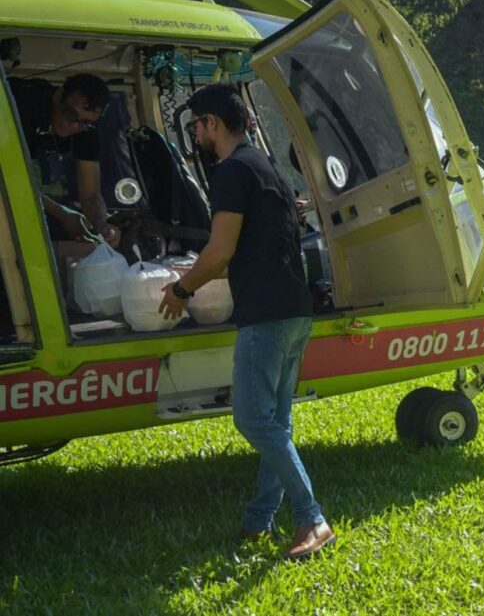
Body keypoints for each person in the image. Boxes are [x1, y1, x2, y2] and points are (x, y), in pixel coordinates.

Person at [157, 84, 333, 560]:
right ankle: (259, 518)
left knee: (253, 420)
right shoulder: (267, 166)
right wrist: (197, 272)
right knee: (276, 422)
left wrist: (181, 289)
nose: (196, 135)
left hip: (266, 314)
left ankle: (312, 518)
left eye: (197, 126)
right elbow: (255, 246)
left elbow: (220, 251)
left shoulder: (231, 171)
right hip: (294, 308)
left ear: (212, 122)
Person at [11, 73, 121, 246]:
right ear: (58, 96)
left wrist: (101, 225)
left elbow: (91, 195)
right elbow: (9, 179)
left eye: (85, 122)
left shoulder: (88, 131)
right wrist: (62, 214)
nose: (74, 126)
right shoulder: (22, 106)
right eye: (70, 115)